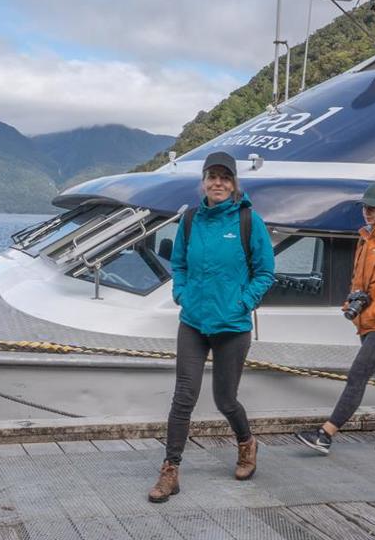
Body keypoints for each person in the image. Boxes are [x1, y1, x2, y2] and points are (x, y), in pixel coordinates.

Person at [148, 151, 275, 503]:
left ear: (234, 184)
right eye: (211, 177)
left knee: (225, 399)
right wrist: (181, 293)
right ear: (203, 181)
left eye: (224, 177)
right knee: (183, 398)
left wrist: (243, 302)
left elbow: (266, 272)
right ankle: (170, 470)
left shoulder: (249, 221)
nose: (217, 183)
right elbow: (180, 264)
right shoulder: (190, 220)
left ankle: (247, 443)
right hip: (193, 321)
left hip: (232, 326)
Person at [295, 183, 375, 455]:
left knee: (357, 375)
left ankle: (325, 434)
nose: (367, 211)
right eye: (365, 206)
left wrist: (373, 313)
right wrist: (352, 302)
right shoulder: (367, 237)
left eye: (373, 207)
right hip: (368, 321)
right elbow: (360, 280)